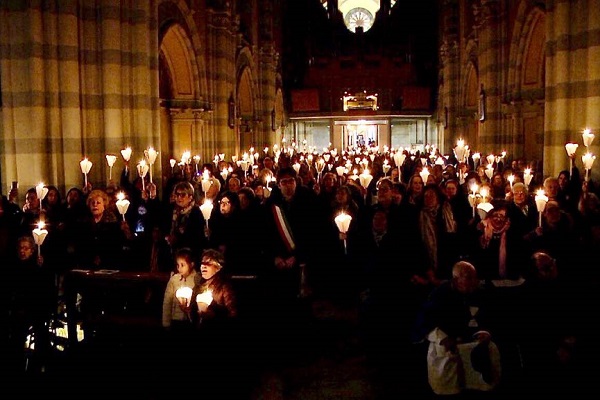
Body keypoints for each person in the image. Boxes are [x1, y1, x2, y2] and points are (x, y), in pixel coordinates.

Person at [415, 261, 501, 396]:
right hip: (449, 347)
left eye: (475, 277)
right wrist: (442, 338)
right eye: (469, 278)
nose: (474, 281)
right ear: (456, 280)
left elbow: (489, 318)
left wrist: (486, 332)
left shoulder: (479, 293)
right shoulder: (440, 295)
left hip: (472, 344)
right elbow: (424, 322)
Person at [162, 247, 197, 332]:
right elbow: (167, 301)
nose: (179, 268)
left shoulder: (197, 280)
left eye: (182, 265)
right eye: (178, 265)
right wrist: (166, 322)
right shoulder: (174, 280)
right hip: (175, 319)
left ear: (191, 264)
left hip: (190, 320)